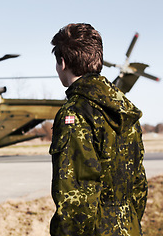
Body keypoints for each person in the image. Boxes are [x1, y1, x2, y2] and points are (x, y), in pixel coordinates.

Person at [49, 23, 148, 235]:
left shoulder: (74, 113)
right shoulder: (125, 110)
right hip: (129, 228)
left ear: (63, 62)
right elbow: (139, 185)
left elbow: (75, 200)